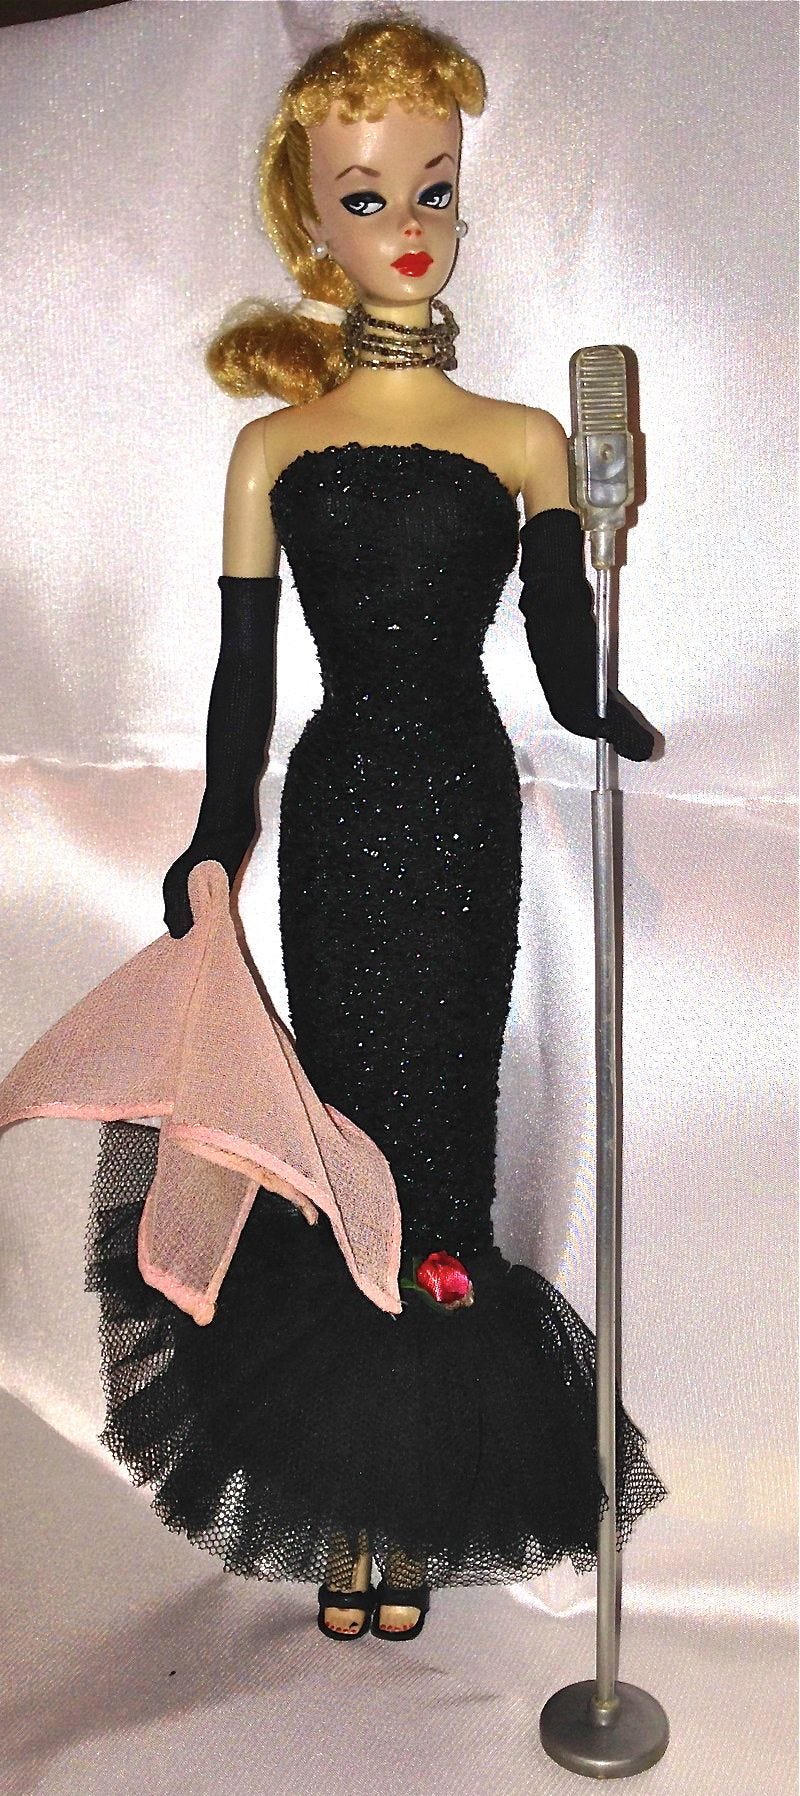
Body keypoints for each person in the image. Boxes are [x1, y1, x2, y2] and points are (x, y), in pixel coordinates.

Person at [86, 12, 668, 1643]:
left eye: (433, 188)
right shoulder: (272, 449)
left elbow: (556, 665)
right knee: (341, 1134)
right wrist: (218, 830)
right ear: (312, 220)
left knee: (445, 1139)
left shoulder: (524, 440)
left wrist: (608, 705)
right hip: (340, 815)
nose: (407, 227)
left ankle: (409, 1510)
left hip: (464, 814)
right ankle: (350, 1504)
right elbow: (243, 678)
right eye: (365, 197)